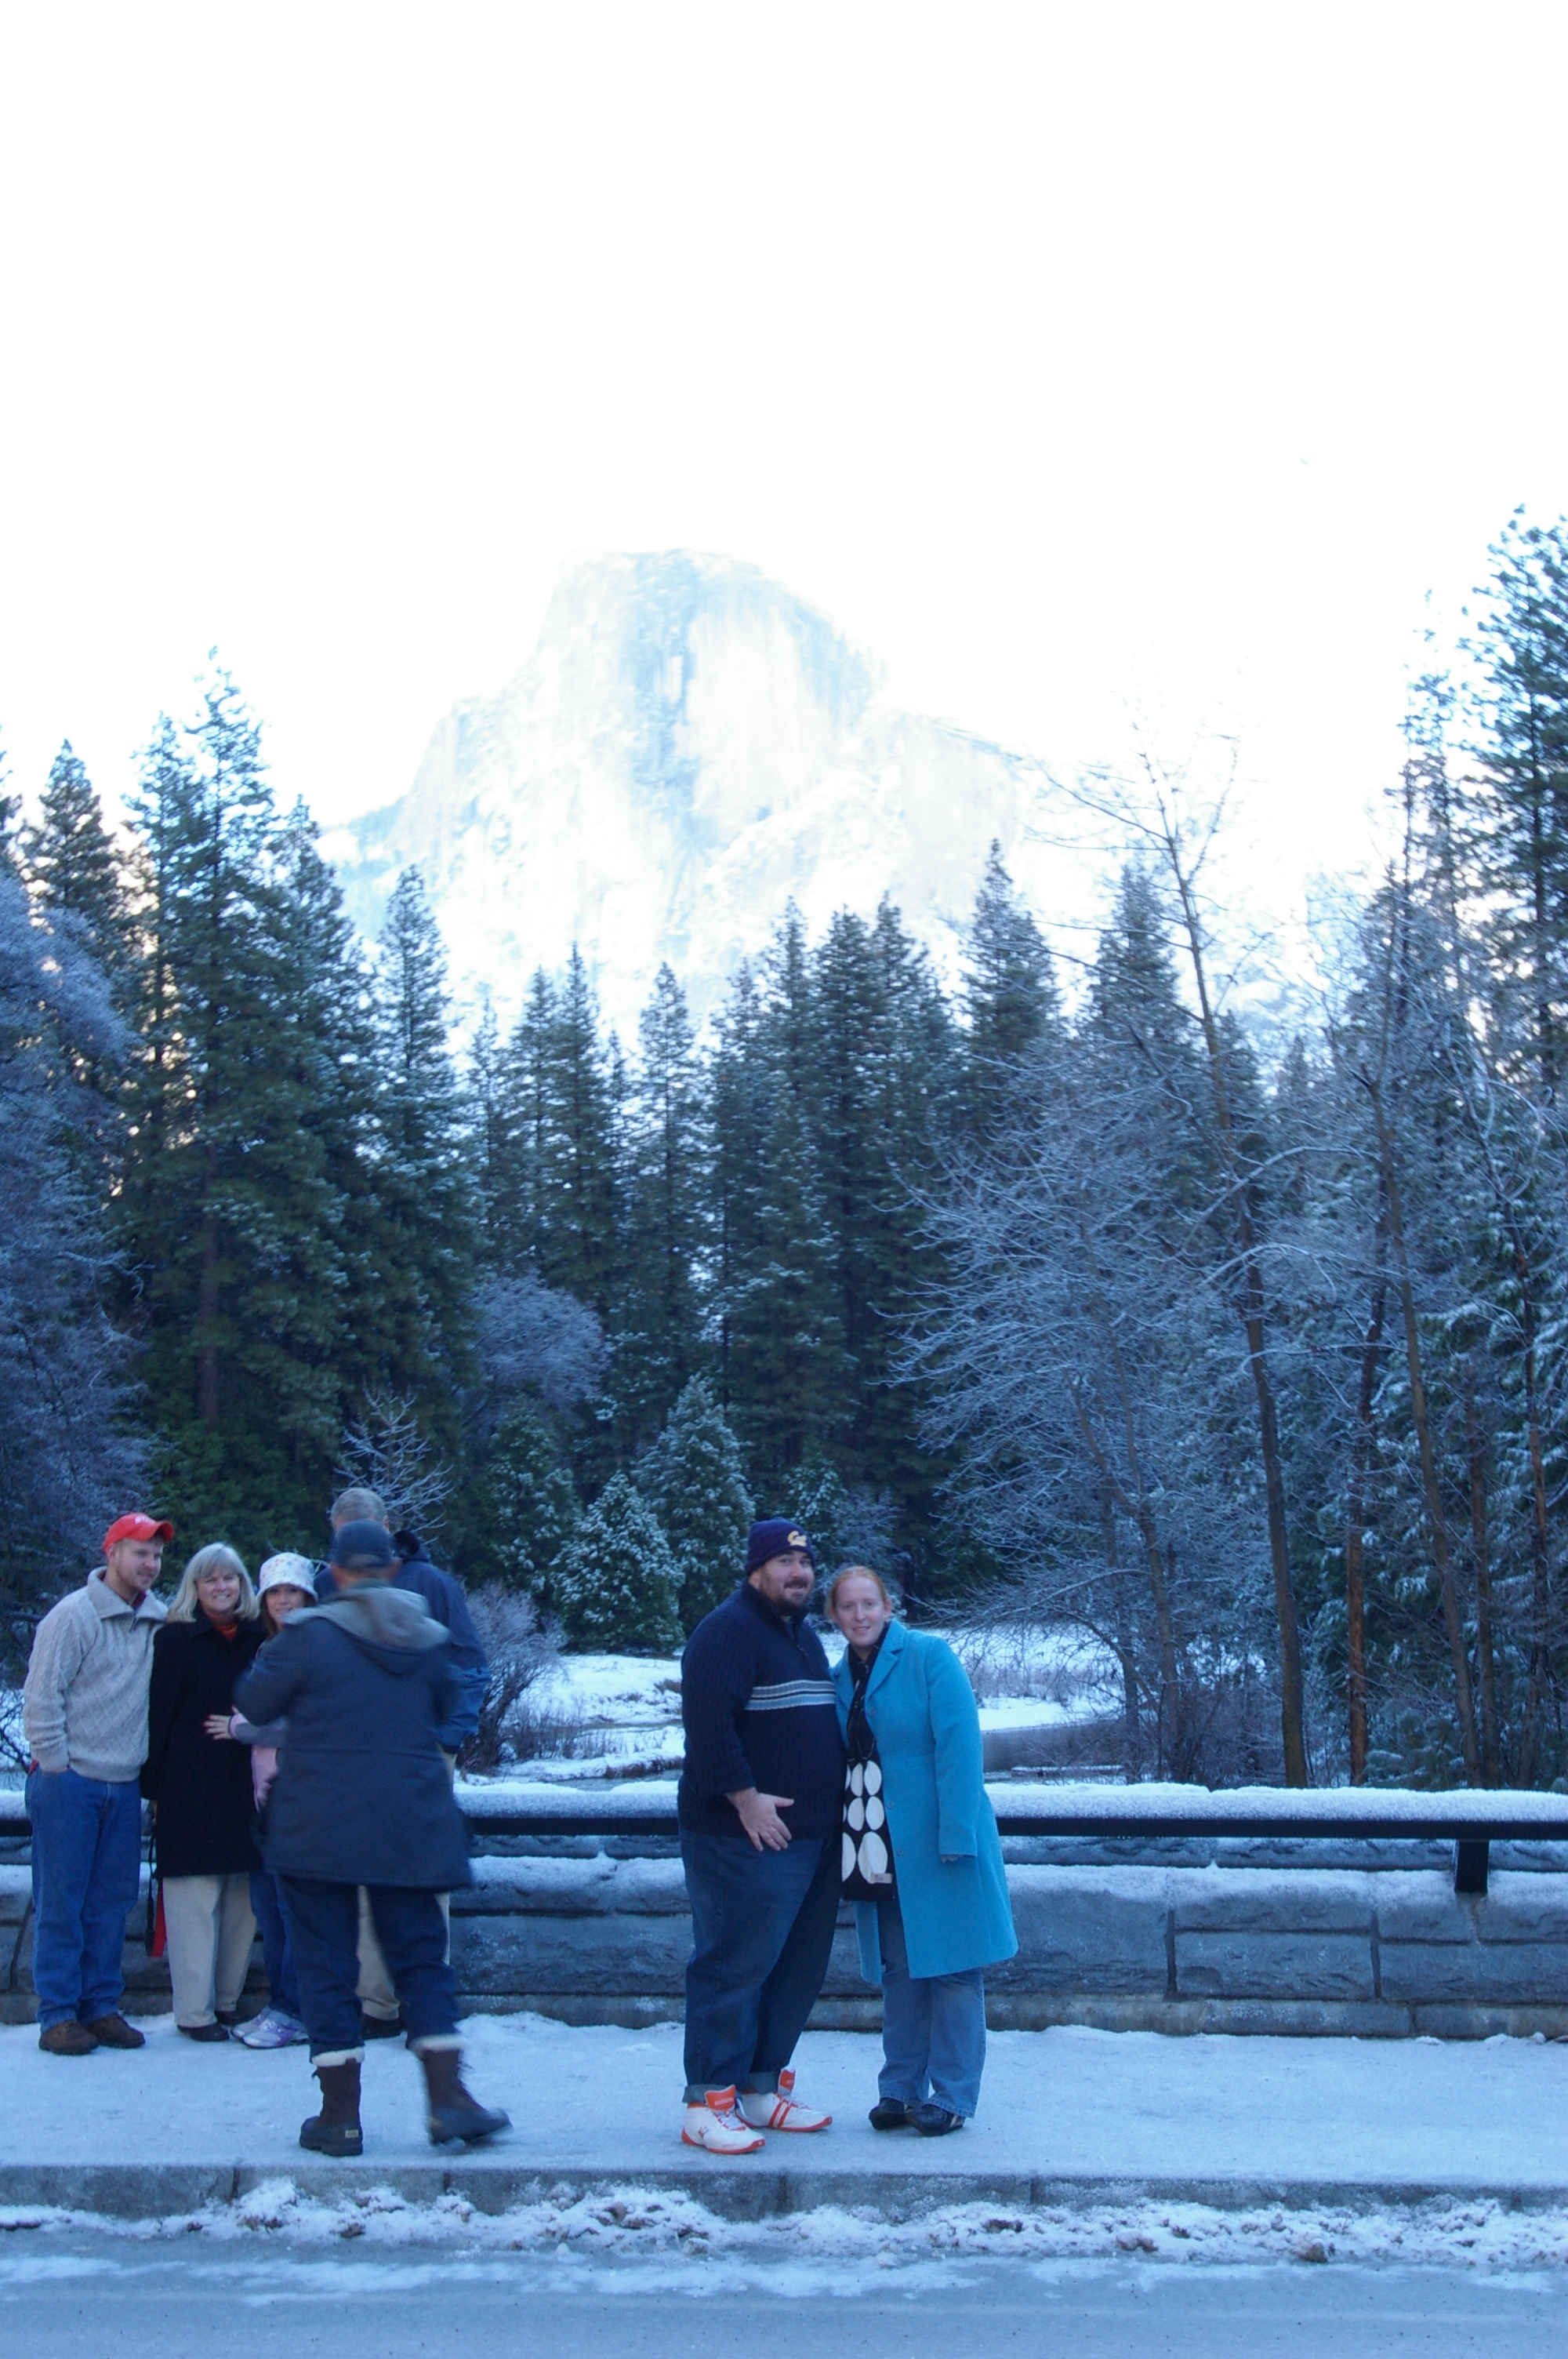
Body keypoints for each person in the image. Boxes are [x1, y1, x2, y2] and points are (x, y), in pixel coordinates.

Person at [234, 1518, 509, 2157]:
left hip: (317, 1825)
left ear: (334, 1573)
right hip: (409, 1822)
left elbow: (256, 1701)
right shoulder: (428, 1638)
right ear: (391, 1568)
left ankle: (340, 2117)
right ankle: (448, 2100)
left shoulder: (307, 1637)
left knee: (326, 1965)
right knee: (422, 1960)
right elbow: (449, 1705)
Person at [826, 1566, 1017, 2136]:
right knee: (900, 1970)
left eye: (869, 1603)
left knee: (953, 1968)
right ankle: (899, 2090)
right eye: (847, 1606)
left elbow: (960, 1744)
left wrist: (957, 1834)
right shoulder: (839, 1678)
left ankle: (953, 2096)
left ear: (888, 1606)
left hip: (940, 1840)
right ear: (834, 1616)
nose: (860, 1615)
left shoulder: (930, 1657)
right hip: (877, 1845)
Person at [676, 1518, 844, 2154]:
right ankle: (706, 2101)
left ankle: (759, 2087)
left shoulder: (801, 1636)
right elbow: (708, 1728)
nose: (798, 1574)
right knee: (733, 1966)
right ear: (755, 1569)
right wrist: (745, 1801)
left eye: (805, 1564)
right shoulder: (725, 1633)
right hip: (742, 1839)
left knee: (795, 1970)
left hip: (811, 1839)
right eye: (784, 1563)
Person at [324, 1487, 487, 2041]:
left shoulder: (430, 1583)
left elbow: (469, 1665)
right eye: (346, 1535)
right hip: (352, 1758)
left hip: (421, 1757)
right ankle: (376, 2001)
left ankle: (423, 2001)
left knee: (424, 1877)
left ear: (388, 1526)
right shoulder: (327, 1586)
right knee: (360, 1876)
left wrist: (446, 1740)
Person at [21, 1513, 173, 2055]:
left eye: (157, 1556)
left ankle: (101, 2006)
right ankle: (58, 2013)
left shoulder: (158, 1621)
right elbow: (42, 1695)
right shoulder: (72, 1616)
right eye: (140, 1553)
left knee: (111, 1902)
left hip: (124, 1782)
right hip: (70, 1781)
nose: (150, 1564)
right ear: (112, 1554)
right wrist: (57, 1765)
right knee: (62, 1901)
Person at [141, 1544, 266, 2039]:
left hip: (246, 1784)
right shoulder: (175, 1639)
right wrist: (153, 1787)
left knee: (241, 1902)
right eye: (210, 1579)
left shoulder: (260, 1637)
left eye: (230, 1578)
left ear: (243, 1585)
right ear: (194, 1588)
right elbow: (158, 1715)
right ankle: (195, 2012)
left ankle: (228, 2001)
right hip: (188, 1785)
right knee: (193, 1902)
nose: (221, 1587)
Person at [210, 1552, 318, 2049]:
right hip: (264, 1802)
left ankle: (297, 2011)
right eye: (274, 1592)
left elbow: (295, 1723)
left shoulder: (315, 1646)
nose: (283, 1600)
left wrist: (239, 1726)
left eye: (291, 1591)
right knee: (269, 1911)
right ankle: (281, 2004)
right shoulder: (267, 1649)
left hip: (299, 1803)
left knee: (293, 1915)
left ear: (308, 1596)